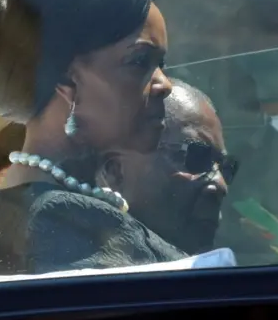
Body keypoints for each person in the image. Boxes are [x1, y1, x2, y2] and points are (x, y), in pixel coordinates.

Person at [0, 0, 187, 277]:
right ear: (65, 81)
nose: (165, 85)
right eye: (139, 61)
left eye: (161, 63)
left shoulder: (55, 200)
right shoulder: (57, 218)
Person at [97, 78, 236, 255]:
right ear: (115, 172)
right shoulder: (75, 269)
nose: (221, 185)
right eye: (195, 157)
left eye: (226, 168)